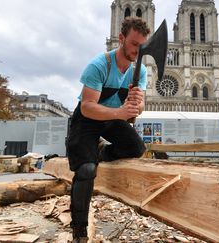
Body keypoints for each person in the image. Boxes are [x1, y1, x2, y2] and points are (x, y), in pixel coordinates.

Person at [66, 17, 150, 242]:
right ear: (121, 38)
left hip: (114, 117)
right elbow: (87, 107)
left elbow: (137, 110)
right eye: (134, 44)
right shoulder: (99, 65)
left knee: (136, 147)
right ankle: (79, 232)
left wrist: (138, 104)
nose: (138, 50)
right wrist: (119, 113)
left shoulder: (139, 71)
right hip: (87, 119)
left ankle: (101, 152)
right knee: (86, 170)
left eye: (142, 46)